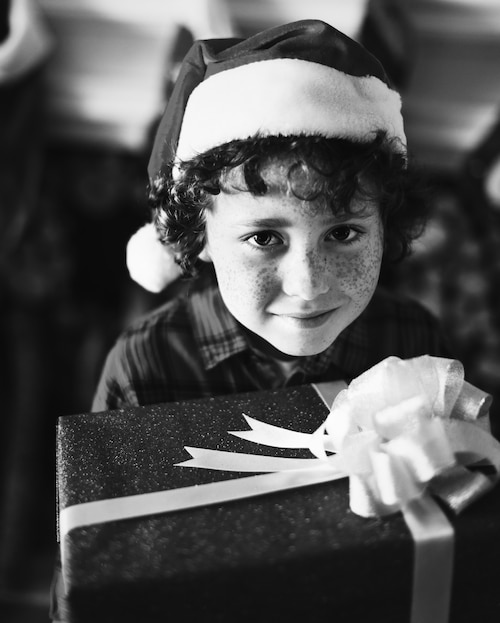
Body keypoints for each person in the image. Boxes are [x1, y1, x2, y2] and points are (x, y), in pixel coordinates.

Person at [92, 19, 449, 412]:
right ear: (200, 234)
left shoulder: (414, 341)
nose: (308, 286)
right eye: (264, 238)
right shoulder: (142, 369)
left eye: (343, 233)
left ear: (384, 224)